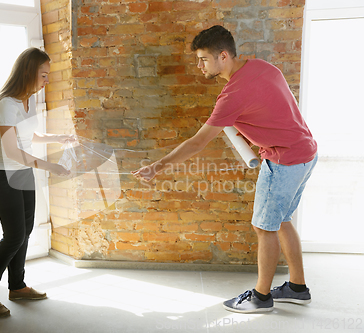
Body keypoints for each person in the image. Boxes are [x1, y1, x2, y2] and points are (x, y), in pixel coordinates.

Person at [132, 25, 317, 314]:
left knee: (264, 227)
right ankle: (296, 287)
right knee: (281, 219)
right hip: (306, 153)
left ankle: (261, 297)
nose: (198, 65)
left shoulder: (233, 95)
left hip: (283, 161)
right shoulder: (262, 67)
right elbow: (273, 109)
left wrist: (157, 167)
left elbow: (197, 143)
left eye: (203, 59)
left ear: (222, 56)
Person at [0, 48, 75, 317]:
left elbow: (29, 136)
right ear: (29, 72)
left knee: (26, 230)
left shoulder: (26, 101)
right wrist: (51, 166)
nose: (46, 80)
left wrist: (58, 138)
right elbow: (11, 150)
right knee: (13, 237)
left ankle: (17, 286)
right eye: (43, 75)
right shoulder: (6, 104)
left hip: (21, 174)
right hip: (2, 175)